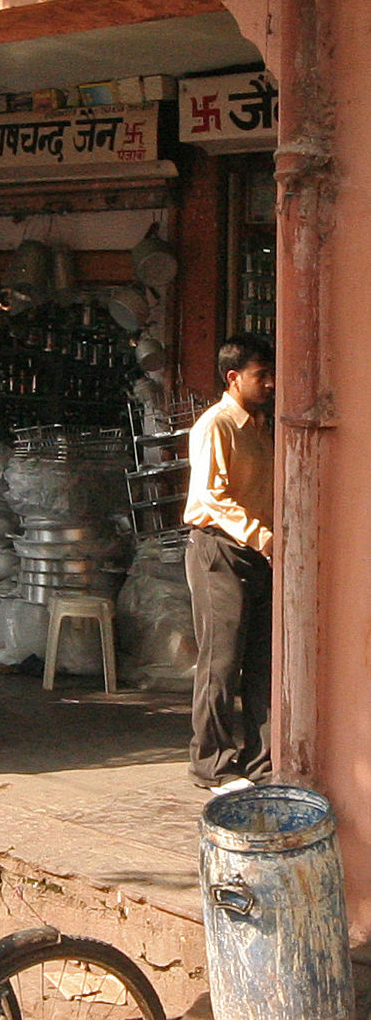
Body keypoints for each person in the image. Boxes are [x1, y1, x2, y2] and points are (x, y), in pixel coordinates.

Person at [183, 331, 275, 791]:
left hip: (260, 552)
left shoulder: (260, 426)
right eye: (262, 375)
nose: (271, 383)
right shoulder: (216, 425)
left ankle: (263, 762)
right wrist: (265, 537)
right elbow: (212, 497)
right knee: (220, 662)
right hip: (219, 550)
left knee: (262, 662)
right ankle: (212, 764)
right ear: (234, 377)